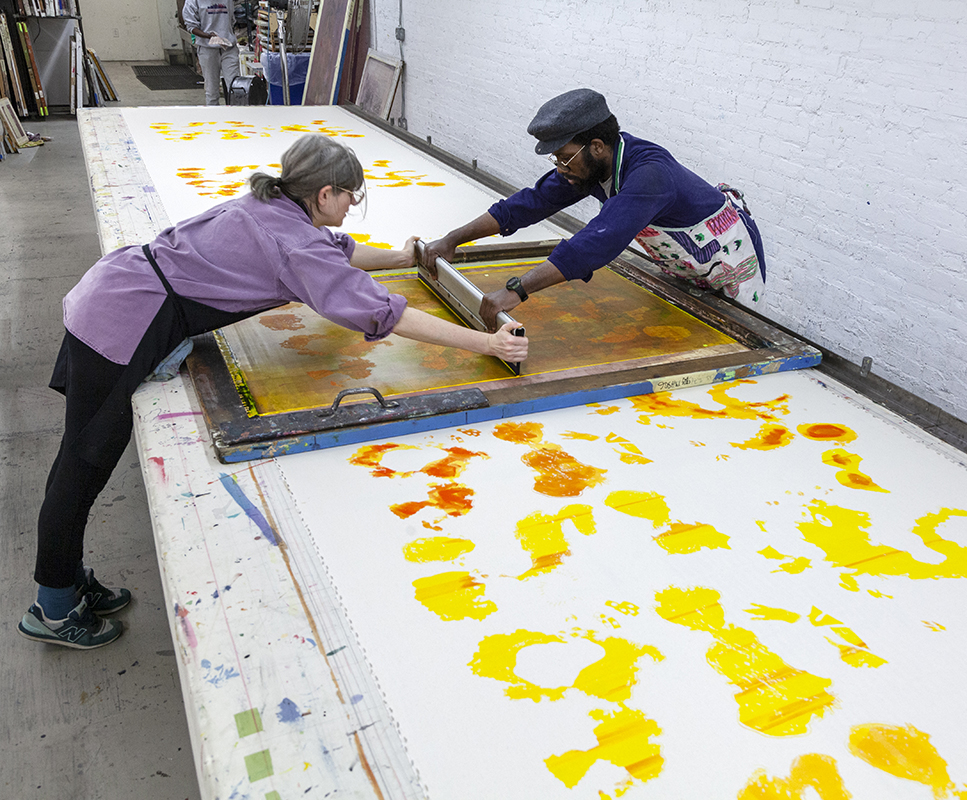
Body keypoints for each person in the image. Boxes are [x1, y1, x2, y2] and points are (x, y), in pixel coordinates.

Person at [18, 134, 527, 650]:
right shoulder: (294, 241)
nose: (354, 203)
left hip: (121, 288)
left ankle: (68, 582)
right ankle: (54, 607)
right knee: (84, 459)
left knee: (87, 455)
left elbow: (341, 253)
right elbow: (382, 312)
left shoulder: (274, 205)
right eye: (352, 194)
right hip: (122, 316)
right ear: (324, 194)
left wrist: (401, 255)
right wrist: (486, 341)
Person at [423, 88, 767, 329]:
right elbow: (528, 204)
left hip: (729, 259)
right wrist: (453, 239)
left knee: (735, 334)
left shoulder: (649, 175)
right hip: (683, 260)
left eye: (563, 157)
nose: (560, 167)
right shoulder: (586, 167)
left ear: (597, 146)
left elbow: (597, 242)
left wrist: (516, 290)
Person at [182, 0, 240, 106]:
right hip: (207, 49)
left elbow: (231, 20)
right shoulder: (193, 1)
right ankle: (214, 118)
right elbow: (191, 26)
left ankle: (236, 118)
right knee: (212, 91)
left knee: (235, 88)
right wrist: (208, 36)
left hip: (228, 48)